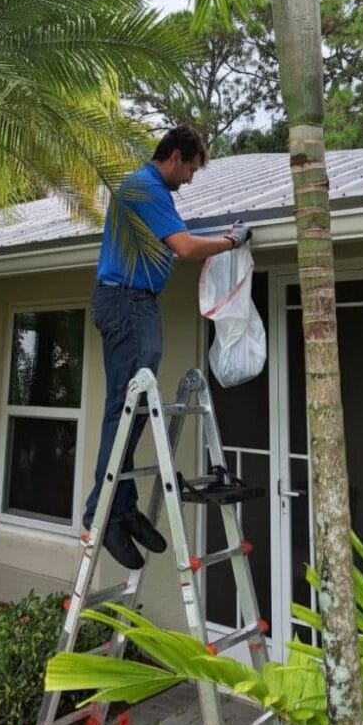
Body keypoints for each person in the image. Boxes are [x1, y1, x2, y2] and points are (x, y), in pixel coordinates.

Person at [84, 125, 251, 569]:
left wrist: (222, 235)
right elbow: (185, 246)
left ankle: (122, 508)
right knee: (125, 408)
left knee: (132, 409)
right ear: (175, 156)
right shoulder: (144, 187)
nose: (192, 178)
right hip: (126, 302)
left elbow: (181, 237)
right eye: (192, 168)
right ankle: (103, 516)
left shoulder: (151, 192)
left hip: (133, 303)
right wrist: (233, 241)